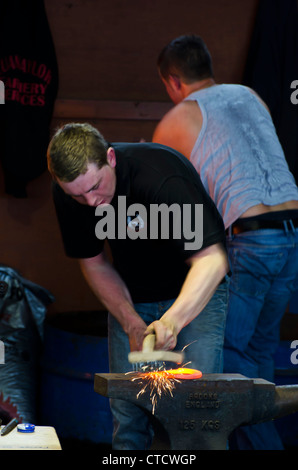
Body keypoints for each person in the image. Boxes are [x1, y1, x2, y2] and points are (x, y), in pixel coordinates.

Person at [152, 34, 298, 450]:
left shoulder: (177, 118)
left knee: (229, 359)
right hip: (293, 236)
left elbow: (160, 195)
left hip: (252, 239)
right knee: (261, 355)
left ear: (173, 81)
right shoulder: (252, 97)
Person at [47, 122, 229, 450]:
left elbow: (211, 261)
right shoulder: (68, 194)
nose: (90, 202)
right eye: (77, 194)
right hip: (132, 294)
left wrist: (173, 320)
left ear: (111, 158)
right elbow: (94, 262)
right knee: (128, 412)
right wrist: (128, 318)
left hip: (194, 292)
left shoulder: (159, 175)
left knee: (196, 414)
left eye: (96, 186)